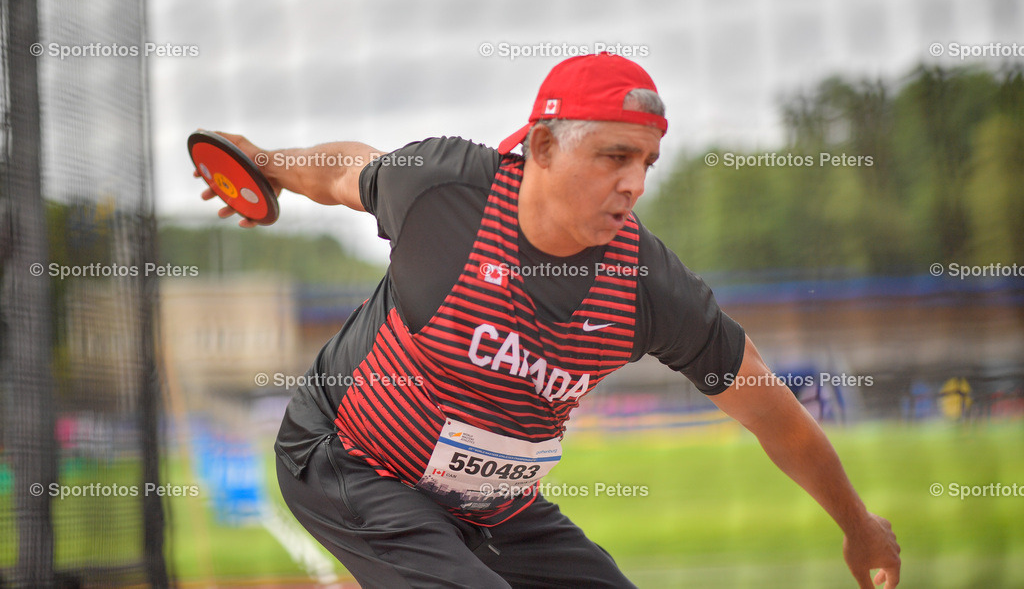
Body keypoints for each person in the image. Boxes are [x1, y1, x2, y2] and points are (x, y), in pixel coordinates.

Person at [200, 53, 901, 588]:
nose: (636, 183)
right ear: (539, 150)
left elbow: (772, 412)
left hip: (491, 503)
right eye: (613, 157)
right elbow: (347, 171)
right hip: (347, 457)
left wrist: (859, 523)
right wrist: (262, 162)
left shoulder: (648, 284)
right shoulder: (450, 194)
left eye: (647, 161)